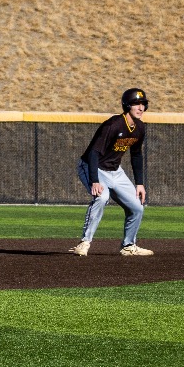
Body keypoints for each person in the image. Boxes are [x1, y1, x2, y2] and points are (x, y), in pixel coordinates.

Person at [72, 87, 153, 257]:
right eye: (136, 104)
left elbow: (136, 155)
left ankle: (128, 245)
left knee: (137, 207)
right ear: (127, 105)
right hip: (92, 166)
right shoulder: (113, 124)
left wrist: (140, 183)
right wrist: (94, 180)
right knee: (102, 197)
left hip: (115, 171)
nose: (140, 108)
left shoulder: (139, 127)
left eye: (143, 104)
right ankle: (84, 243)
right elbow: (94, 153)